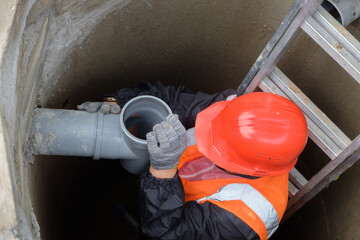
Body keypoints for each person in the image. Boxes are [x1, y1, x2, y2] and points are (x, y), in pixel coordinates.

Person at [78, 82, 308, 240]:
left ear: (243, 167)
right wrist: (121, 101)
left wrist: (163, 170)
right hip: (167, 188)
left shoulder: (248, 216)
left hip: (171, 209)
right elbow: (171, 101)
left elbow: (164, 235)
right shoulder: (234, 114)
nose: (205, 134)